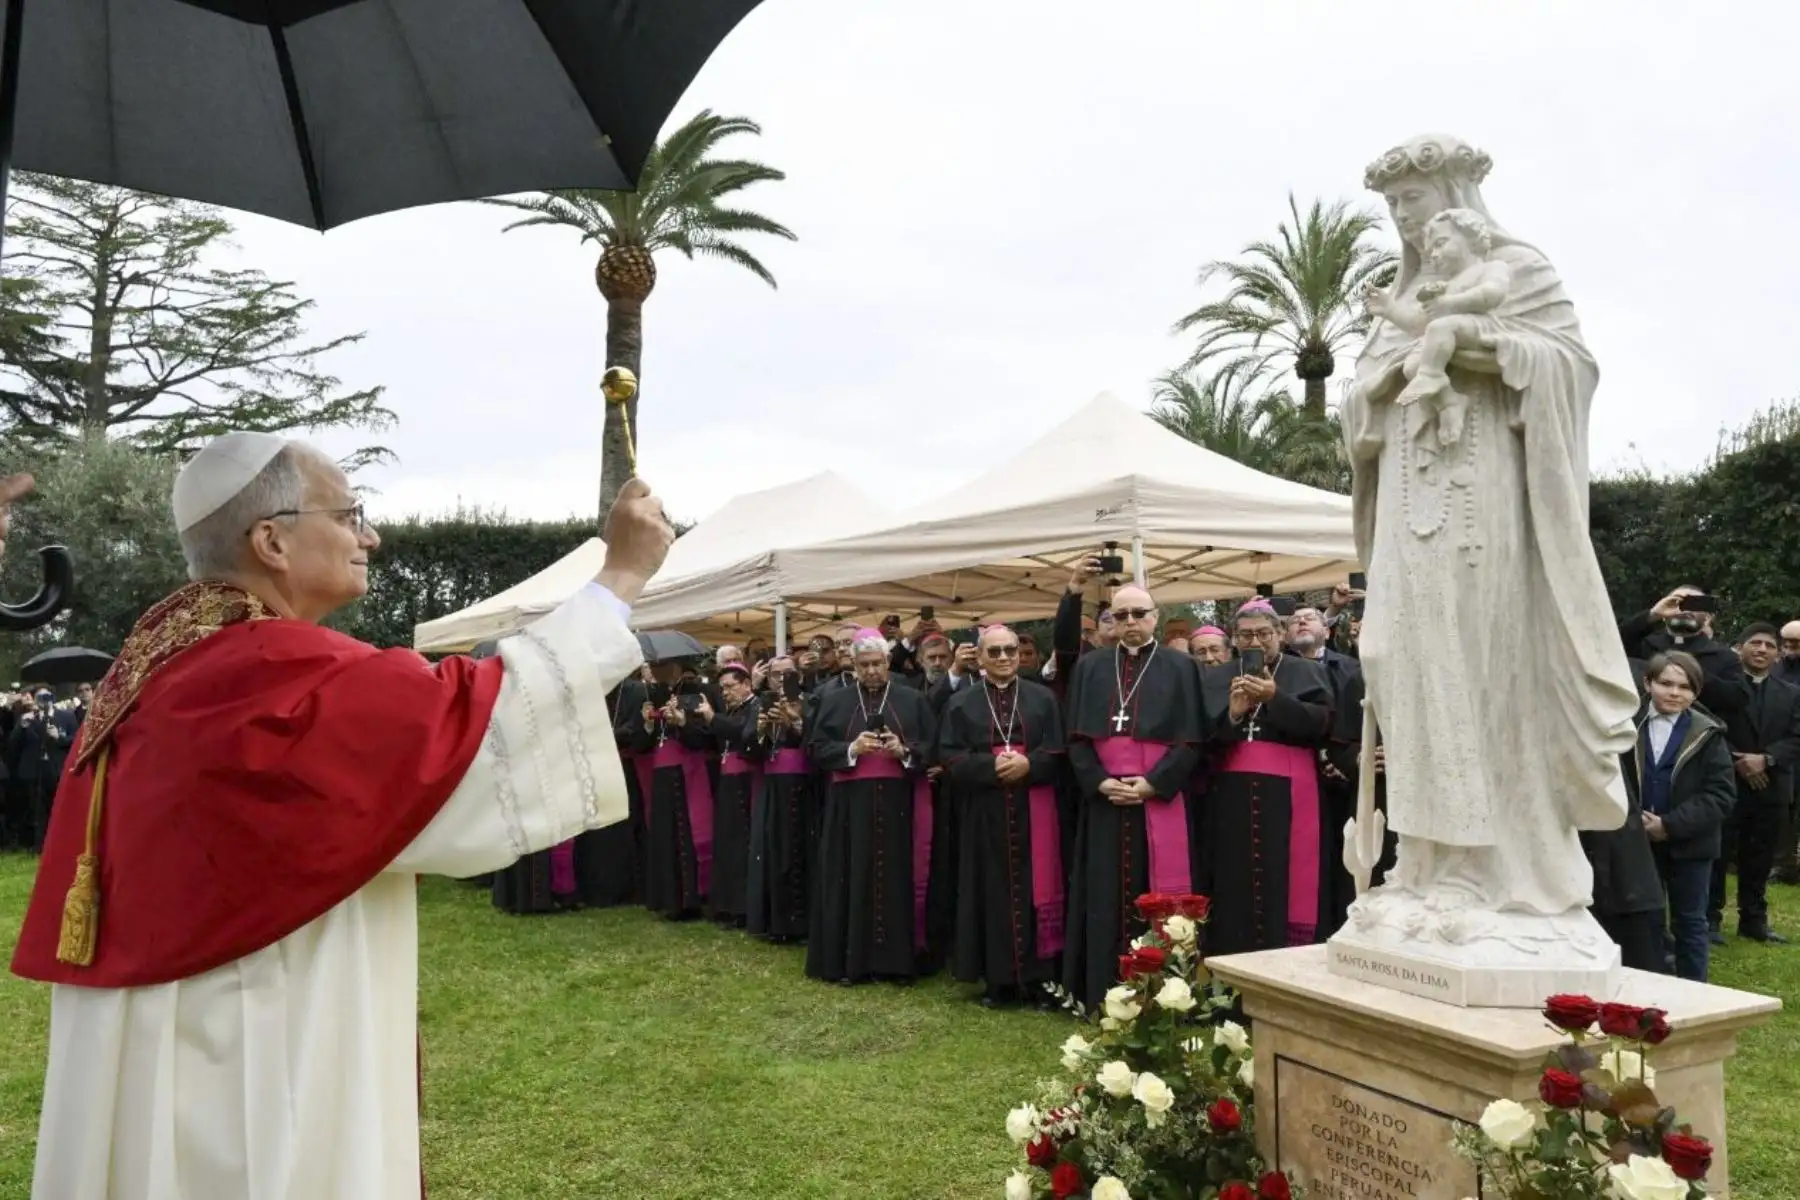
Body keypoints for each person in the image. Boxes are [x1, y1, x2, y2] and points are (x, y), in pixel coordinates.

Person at [10, 434, 672, 1199]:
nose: (371, 535)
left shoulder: (166, 666)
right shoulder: (265, 670)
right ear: (272, 540)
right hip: (248, 1031)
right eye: (351, 513)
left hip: (170, 1019)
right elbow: (476, 728)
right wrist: (621, 575)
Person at [1342, 134, 1641, 949]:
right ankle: (1424, 864)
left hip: (1487, 514)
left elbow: (1567, 368)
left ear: (1456, 200)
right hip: (1409, 516)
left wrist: (1473, 348)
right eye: (1393, 206)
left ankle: (1494, 871)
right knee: (1394, 661)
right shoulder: (1410, 293)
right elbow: (1359, 411)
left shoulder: (1517, 270)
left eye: (1415, 200)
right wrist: (1385, 381)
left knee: (1476, 672)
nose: (1404, 219)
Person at [1061, 585, 1206, 1009]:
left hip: (1157, 799)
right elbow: (1075, 738)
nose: (1129, 623)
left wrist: (1154, 783)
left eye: (1138, 614)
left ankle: (1164, 992)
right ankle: (1100, 990)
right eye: (1120, 615)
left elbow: (1194, 739)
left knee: (1158, 894)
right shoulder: (1091, 668)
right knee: (1102, 894)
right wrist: (1099, 781)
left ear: (1154, 616)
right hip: (1105, 801)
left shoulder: (1181, 667)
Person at [939, 625, 1067, 1009]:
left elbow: (1060, 751)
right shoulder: (961, 703)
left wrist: (1030, 763)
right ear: (979, 657)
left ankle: (1041, 979)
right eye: (993, 652)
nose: (1003, 658)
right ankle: (998, 981)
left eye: (1009, 650)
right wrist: (991, 766)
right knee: (990, 891)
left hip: (1035, 807)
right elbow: (949, 755)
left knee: (1038, 890)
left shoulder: (1043, 699)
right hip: (985, 811)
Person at [1199, 600, 1336, 955]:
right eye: (1245, 635)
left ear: (1279, 634)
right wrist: (1231, 716)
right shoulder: (1215, 676)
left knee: (1285, 880)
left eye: (1263, 633)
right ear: (1234, 639)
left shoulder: (1306, 671)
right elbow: (1200, 739)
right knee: (1233, 882)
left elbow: (1321, 724)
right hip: (1230, 798)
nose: (1255, 642)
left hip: (1290, 795)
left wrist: (1276, 699)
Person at [805, 629, 938, 985]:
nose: (872, 671)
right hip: (850, 806)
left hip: (900, 804)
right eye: (864, 665)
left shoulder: (912, 699)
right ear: (855, 667)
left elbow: (933, 747)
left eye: (877, 663)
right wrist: (851, 749)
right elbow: (815, 748)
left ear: (888, 662)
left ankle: (897, 963)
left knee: (897, 878)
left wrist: (904, 751)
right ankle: (853, 962)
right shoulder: (834, 701)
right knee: (852, 876)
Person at [1623, 653, 1735, 982]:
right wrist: (1635, 823)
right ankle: (1647, 990)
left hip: (1691, 845)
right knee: (1644, 923)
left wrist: (1669, 825)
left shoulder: (1709, 734)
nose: (1674, 693)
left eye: (1685, 687)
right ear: (1648, 683)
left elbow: (1720, 795)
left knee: (1690, 923)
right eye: (1666, 684)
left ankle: (1694, 994)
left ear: (1696, 693)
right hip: (1636, 842)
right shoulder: (1626, 726)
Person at [1377, 208, 1512, 446]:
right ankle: (1450, 402)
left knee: (1441, 327)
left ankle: (1432, 375)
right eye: (1431, 252)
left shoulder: (1491, 268)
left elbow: (1493, 293)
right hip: (1450, 331)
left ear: (1471, 237)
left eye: (1440, 244)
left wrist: (1450, 304)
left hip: (1485, 329)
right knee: (1411, 366)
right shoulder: (1443, 286)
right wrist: (1390, 309)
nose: (1435, 255)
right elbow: (1420, 324)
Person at [1708, 623, 1798, 945]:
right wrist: (1739, 761)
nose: (1762, 650)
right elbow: (1710, 726)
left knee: (1760, 856)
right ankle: (1710, 921)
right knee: (1718, 854)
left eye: (1769, 645)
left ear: (1777, 654)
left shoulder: (1792, 693)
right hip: (1725, 782)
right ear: (1740, 648)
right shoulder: (1720, 689)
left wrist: (1766, 760)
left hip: (1771, 787)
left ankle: (1754, 921)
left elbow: (1796, 737)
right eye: (1755, 643)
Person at [625, 658, 717, 920]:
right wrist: (648, 724)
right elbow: (641, 743)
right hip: (661, 776)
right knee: (664, 835)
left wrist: (682, 722)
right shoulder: (651, 695)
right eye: (651, 667)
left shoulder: (695, 692)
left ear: (674, 667)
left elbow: (704, 737)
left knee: (690, 835)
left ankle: (693, 898)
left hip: (689, 773)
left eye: (659, 666)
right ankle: (669, 900)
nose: (654, 671)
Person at [745, 657, 816, 943]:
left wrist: (795, 723)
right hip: (772, 787)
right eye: (776, 675)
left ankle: (802, 924)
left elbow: (818, 740)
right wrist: (762, 730)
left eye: (788, 674)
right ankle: (775, 922)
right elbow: (747, 745)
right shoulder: (762, 703)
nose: (782, 679)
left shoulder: (811, 700)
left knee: (801, 851)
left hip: (804, 787)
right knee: (772, 851)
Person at [1618, 587, 1751, 720]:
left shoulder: (1725, 657)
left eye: (1695, 604)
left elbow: (1737, 700)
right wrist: (1653, 615)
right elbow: (1610, 644)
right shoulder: (1644, 646)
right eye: (1677, 603)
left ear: (1707, 617)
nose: (1686, 610)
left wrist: (1689, 672)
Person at [708, 662, 761, 927]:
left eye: (730, 686)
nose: (725, 693)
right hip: (729, 780)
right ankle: (727, 905)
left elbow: (743, 733)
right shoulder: (735, 708)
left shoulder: (756, 706)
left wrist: (712, 718)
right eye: (722, 688)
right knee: (728, 843)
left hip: (746, 781)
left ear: (747, 684)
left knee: (742, 845)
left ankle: (743, 908)